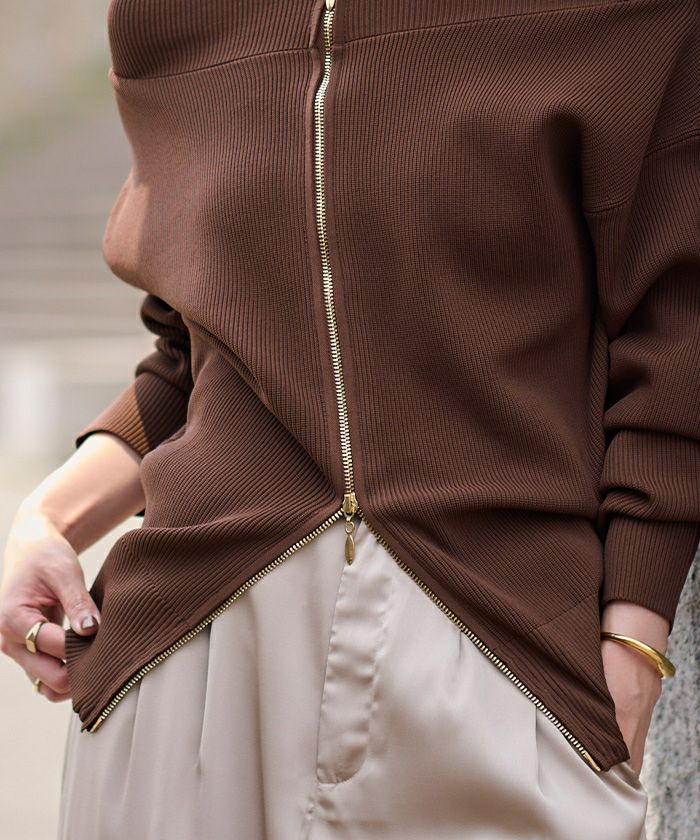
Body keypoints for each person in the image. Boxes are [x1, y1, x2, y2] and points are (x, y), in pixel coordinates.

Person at [1, 1, 698, 837]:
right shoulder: (171, 17)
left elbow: (677, 325)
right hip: (187, 667)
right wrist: (47, 518)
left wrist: (635, 642)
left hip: (499, 654)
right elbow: (199, 353)